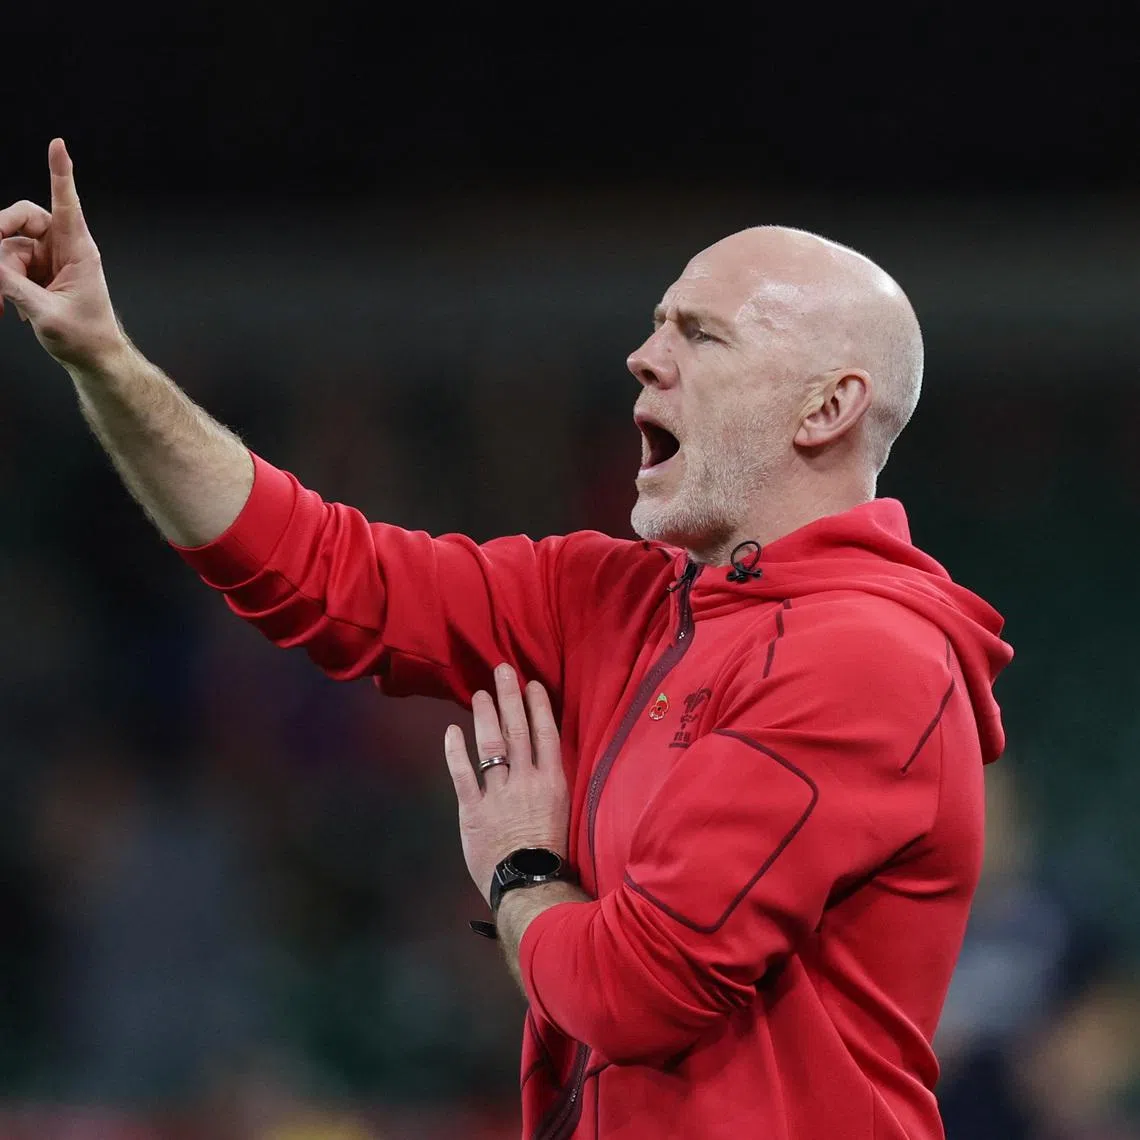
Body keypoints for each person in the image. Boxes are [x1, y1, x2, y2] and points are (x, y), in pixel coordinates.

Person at [1, 140, 1013, 1140]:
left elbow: (637, 994)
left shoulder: (868, 656)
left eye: (701, 337)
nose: (643, 356)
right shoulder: (610, 596)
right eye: (658, 325)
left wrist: (522, 869)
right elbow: (317, 571)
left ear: (827, 407)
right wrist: (107, 362)